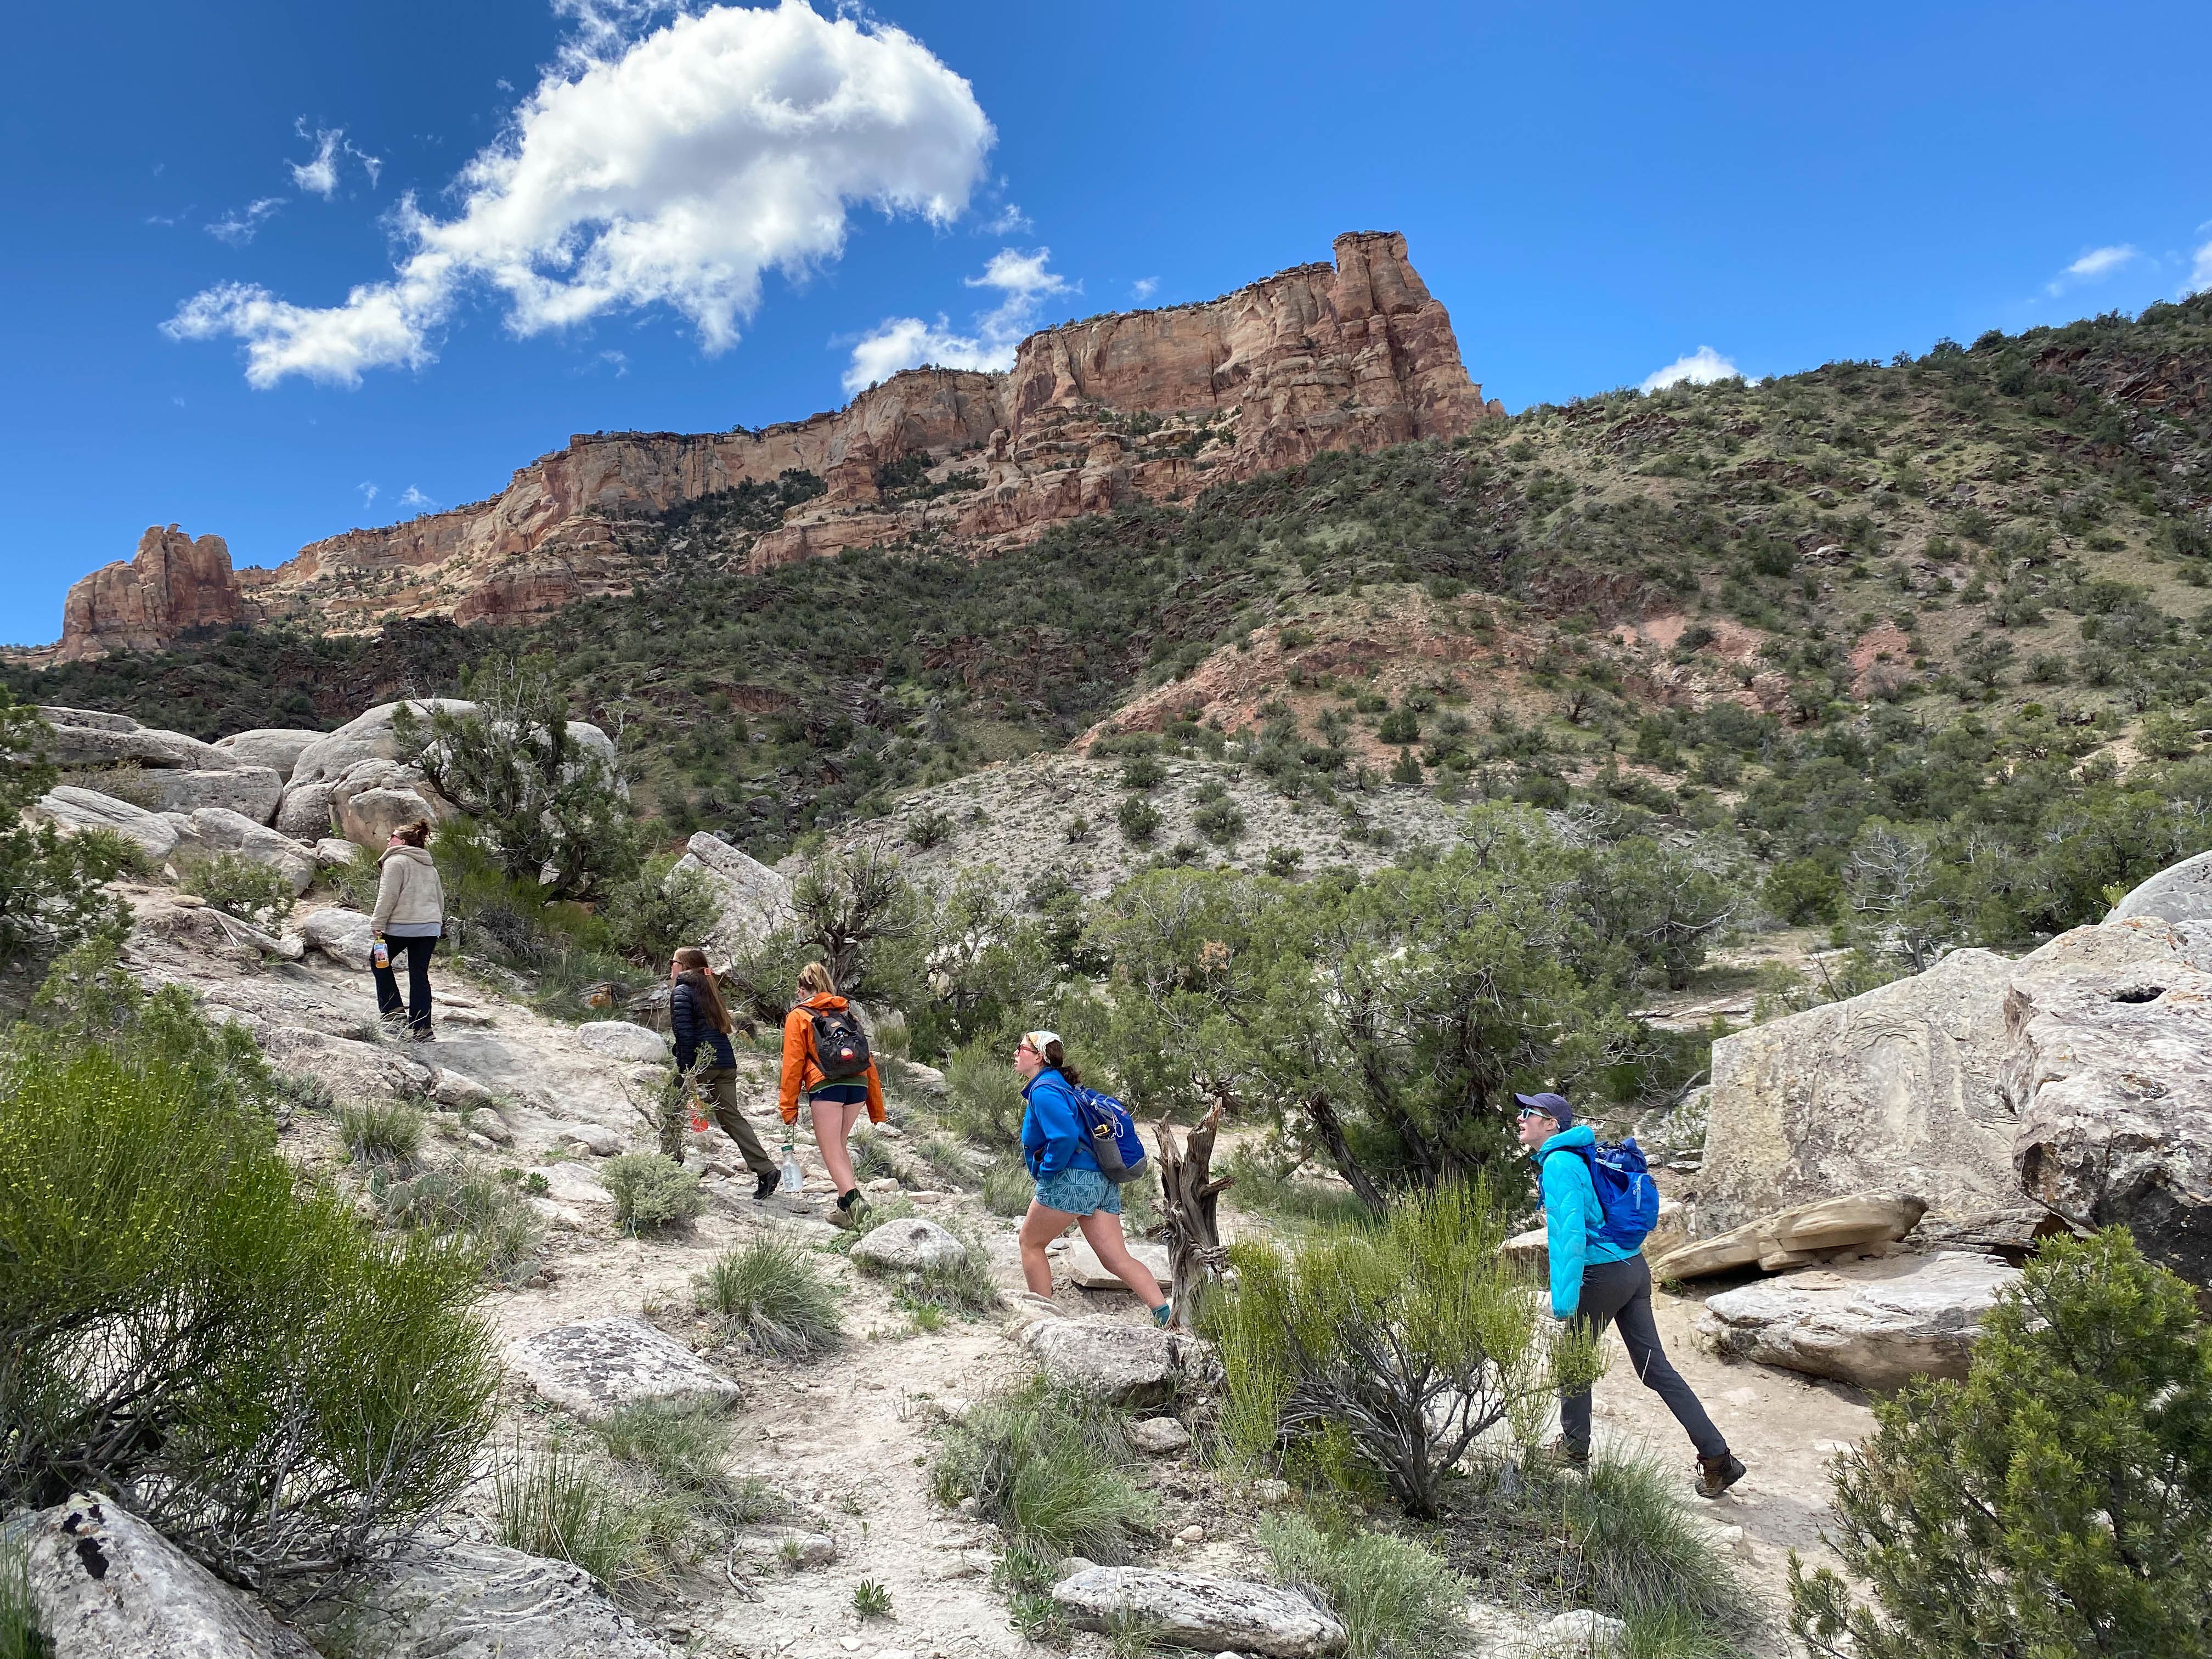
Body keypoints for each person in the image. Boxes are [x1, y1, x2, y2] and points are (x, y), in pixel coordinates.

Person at [1516, 1090, 1747, 1498]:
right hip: (1632, 1268)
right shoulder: (1579, 1156)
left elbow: (1567, 1238)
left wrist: (1564, 1299)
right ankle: (1718, 1460)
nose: (1521, 1119)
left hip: (1602, 1274)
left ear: (1550, 1124)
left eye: (1528, 1114)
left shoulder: (1559, 1163)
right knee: (1654, 1368)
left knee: (1572, 1359)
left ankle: (1573, 1451)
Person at [1015, 1030, 1171, 1327]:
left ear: (1038, 1056)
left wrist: (1047, 1172)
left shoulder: (1044, 1090)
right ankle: (1164, 1314)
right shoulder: (1063, 1085)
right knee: (1116, 1259)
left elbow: (1064, 1137)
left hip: (1072, 1180)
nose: (1015, 1054)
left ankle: (1044, 1322)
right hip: (1101, 1181)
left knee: (1030, 1243)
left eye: (1021, 1048)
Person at [777, 962, 885, 1220]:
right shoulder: (847, 1014)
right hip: (858, 1086)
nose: (798, 995)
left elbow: (793, 1065)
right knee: (839, 1146)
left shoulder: (799, 1015)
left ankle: (856, 1205)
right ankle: (843, 1209)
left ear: (804, 989)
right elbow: (868, 1060)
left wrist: (788, 1107)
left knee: (830, 1150)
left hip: (826, 1086)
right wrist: (876, 1108)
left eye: (798, 990)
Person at [670, 947, 778, 1199]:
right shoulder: (710, 990)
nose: (671, 967)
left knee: (670, 1105)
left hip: (702, 1062)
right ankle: (766, 1170)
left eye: (673, 962)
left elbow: (685, 1034)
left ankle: (670, 1164)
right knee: (732, 1118)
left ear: (684, 966)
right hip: (725, 1063)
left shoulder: (682, 992)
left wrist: (687, 1070)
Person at [370, 820, 443, 1041]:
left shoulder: (396, 861)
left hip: (402, 926)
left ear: (401, 841)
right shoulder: (429, 866)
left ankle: (393, 1010)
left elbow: (388, 896)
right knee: (419, 974)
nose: (387, 840)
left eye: (391, 837)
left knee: (378, 961)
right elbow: (440, 898)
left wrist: (378, 923)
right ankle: (423, 1029)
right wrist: (436, 922)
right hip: (429, 927)